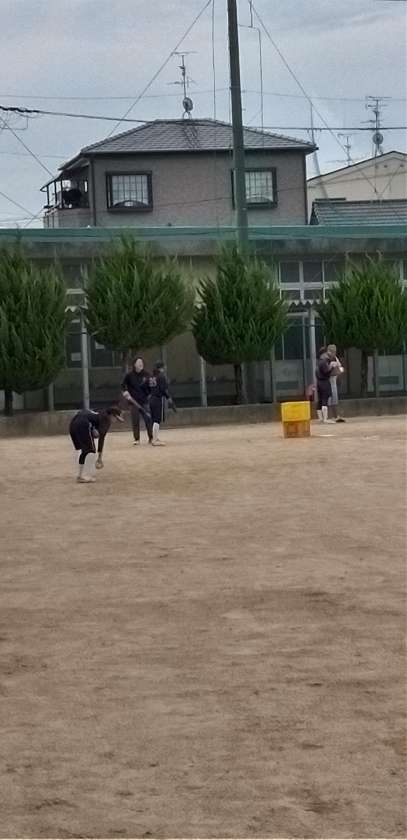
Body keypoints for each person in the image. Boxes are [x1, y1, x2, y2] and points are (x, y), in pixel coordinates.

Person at [69, 405, 123, 483]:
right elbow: (101, 438)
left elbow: (88, 416)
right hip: (83, 423)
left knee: (85, 450)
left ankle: (80, 475)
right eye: (116, 418)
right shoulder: (106, 419)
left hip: (74, 422)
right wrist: (100, 458)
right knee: (90, 450)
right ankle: (83, 476)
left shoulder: (101, 411)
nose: (115, 421)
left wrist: (92, 429)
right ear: (111, 415)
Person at [121, 357, 153, 445]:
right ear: (134, 364)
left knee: (148, 419)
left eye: (141, 362)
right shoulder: (129, 375)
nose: (140, 364)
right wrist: (125, 392)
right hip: (133, 402)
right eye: (139, 362)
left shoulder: (147, 375)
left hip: (144, 401)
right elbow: (123, 385)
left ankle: (151, 437)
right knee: (135, 420)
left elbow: (151, 386)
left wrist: (150, 394)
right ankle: (137, 439)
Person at [149, 361, 176, 445]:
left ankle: (154, 438)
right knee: (157, 419)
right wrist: (169, 398)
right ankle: (155, 440)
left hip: (151, 398)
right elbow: (163, 389)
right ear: (161, 368)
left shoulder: (151, 376)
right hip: (158, 399)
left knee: (154, 419)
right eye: (164, 367)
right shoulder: (161, 376)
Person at [316, 346, 337, 424]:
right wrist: (332, 366)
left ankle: (320, 418)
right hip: (324, 382)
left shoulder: (319, 362)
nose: (327, 355)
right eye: (326, 353)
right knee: (325, 399)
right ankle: (325, 418)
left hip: (319, 382)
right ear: (323, 354)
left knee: (320, 400)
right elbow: (326, 372)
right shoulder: (323, 362)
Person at [327, 343, 346, 423]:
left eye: (334, 351)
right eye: (332, 351)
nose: (334, 353)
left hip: (334, 380)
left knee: (334, 399)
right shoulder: (325, 359)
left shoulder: (335, 358)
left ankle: (336, 416)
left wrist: (340, 371)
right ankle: (327, 417)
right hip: (327, 381)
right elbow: (325, 370)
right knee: (328, 400)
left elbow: (340, 367)